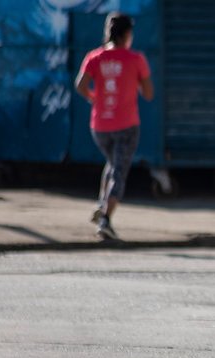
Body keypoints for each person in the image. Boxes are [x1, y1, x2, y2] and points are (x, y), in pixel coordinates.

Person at [75, 13, 153, 241]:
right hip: (127, 125)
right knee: (119, 170)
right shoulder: (136, 59)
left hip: (99, 126)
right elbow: (149, 94)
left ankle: (102, 204)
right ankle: (106, 220)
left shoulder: (95, 57)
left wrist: (93, 98)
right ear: (127, 34)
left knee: (112, 163)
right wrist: (136, 83)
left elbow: (80, 85)